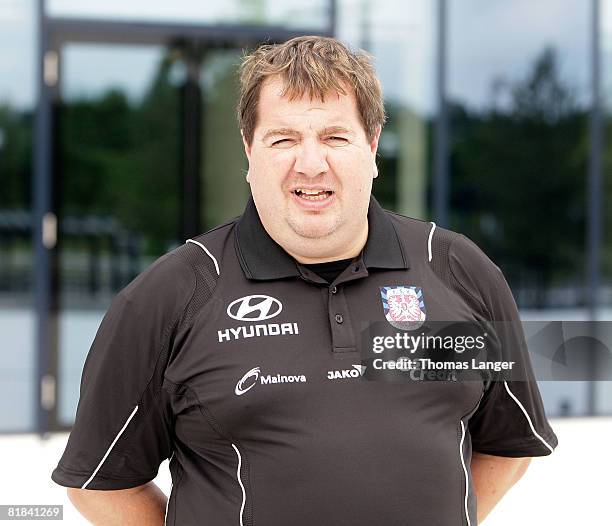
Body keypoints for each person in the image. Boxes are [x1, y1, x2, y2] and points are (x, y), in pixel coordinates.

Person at [51, 35, 558, 525]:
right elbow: (98, 483)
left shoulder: (458, 270)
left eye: (335, 137)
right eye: (284, 139)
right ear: (250, 149)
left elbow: (510, 443)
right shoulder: (172, 295)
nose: (310, 164)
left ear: (373, 145)